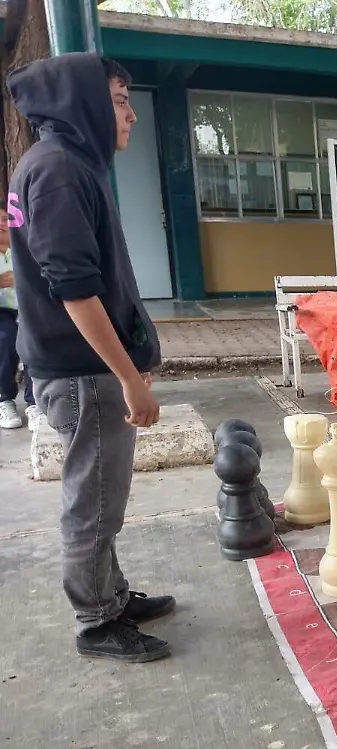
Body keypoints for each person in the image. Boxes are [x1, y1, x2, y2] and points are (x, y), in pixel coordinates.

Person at [6, 52, 174, 662]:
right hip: (84, 373)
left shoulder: (64, 163)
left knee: (102, 498)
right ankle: (97, 621)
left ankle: (112, 596)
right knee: (94, 504)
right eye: (120, 101)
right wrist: (129, 379)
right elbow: (74, 290)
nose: (131, 114)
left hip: (82, 368)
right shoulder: (57, 171)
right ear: (82, 104)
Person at [0, 211, 40, 429]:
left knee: (33, 341)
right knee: (5, 340)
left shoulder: (26, 250)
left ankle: (35, 404)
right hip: (2, 312)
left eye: (5, 219)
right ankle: (4, 400)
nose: (1, 224)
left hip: (27, 310)